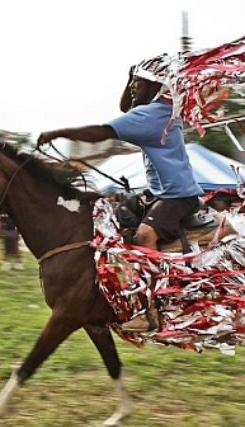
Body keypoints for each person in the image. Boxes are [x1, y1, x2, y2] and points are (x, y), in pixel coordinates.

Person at [37, 57, 204, 331]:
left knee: (144, 236)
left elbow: (103, 132)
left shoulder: (153, 115)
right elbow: (127, 106)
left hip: (177, 196)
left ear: (155, 85)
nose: (133, 88)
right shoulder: (160, 107)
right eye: (133, 83)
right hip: (159, 193)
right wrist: (131, 80)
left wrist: (60, 132)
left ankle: (155, 309)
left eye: (138, 83)